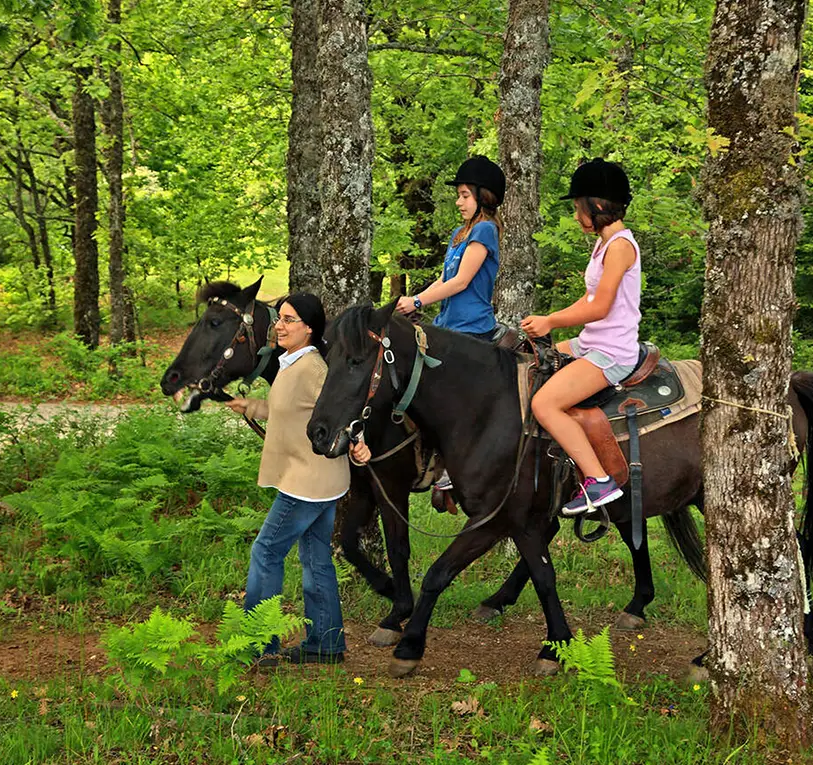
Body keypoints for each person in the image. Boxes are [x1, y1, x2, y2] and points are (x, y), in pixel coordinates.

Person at [228, 293, 370, 666]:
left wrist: (359, 441)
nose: (280, 325)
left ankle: (260, 646)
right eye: (280, 318)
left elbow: (343, 407)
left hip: (307, 483)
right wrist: (251, 407)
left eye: (290, 320)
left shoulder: (314, 369)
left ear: (309, 328)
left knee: (265, 552)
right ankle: (325, 643)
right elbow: (290, 411)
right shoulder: (292, 362)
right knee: (316, 557)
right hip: (320, 481)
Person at [521, 158, 640, 517]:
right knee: (526, 360)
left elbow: (601, 306)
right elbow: (590, 298)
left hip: (612, 351)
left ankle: (598, 481)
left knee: (545, 404)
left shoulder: (620, 246)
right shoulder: (603, 244)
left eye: (578, 207)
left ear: (598, 205)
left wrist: (551, 319)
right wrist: (550, 326)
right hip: (591, 341)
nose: (576, 216)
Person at [397, 155, 506, 492]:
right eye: (458, 195)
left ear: (482, 197)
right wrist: (413, 300)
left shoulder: (485, 230)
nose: (458, 202)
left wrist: (417, 302)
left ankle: (450, 464)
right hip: (447, 324)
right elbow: (443, 280)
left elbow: (460, 283)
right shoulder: (460, 234)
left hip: (472, 328)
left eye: (464, 195)